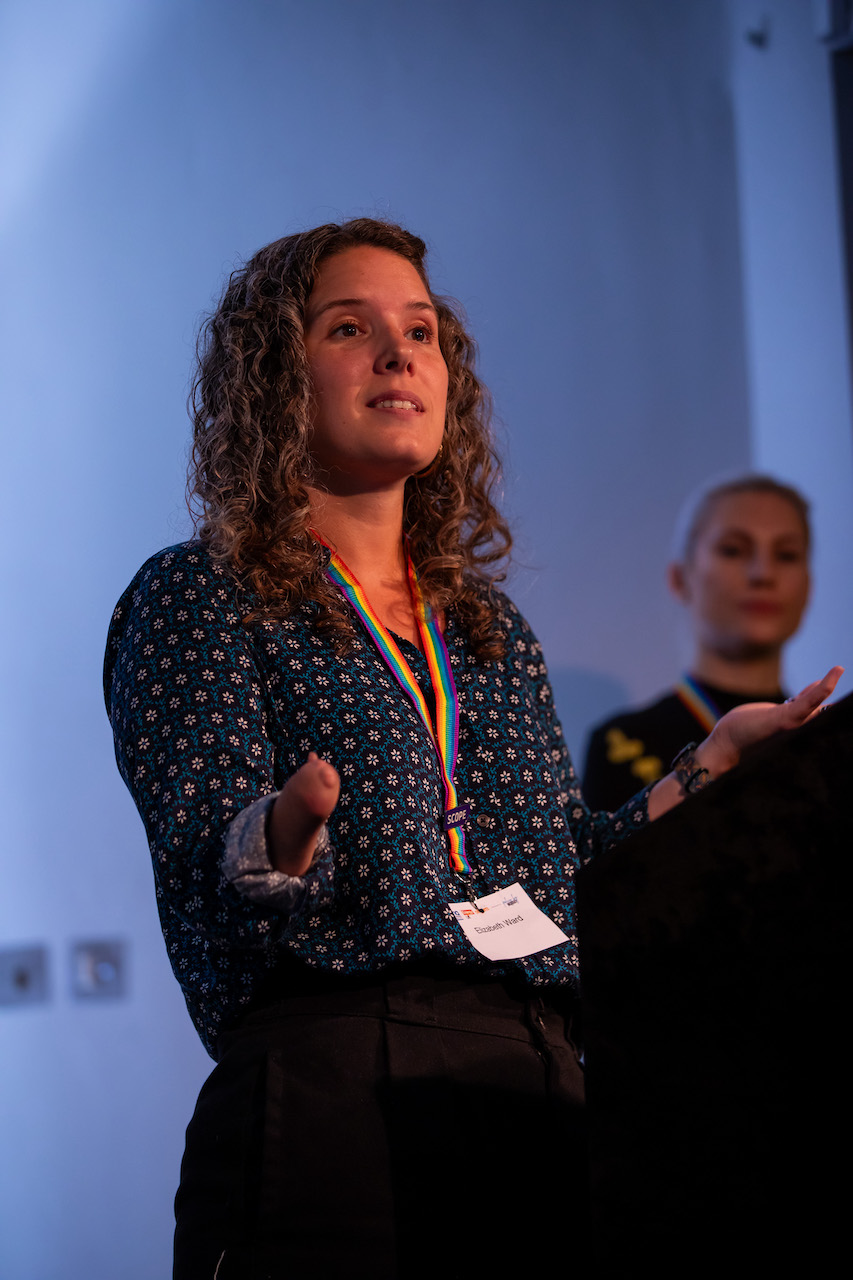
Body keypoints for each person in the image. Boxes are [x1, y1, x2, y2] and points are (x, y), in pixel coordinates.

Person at [104, 221, 839, 1279]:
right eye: (350, 328)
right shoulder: (202, 592)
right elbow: (207, 858)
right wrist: (284, 830)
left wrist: (710, 768)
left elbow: (563, 874)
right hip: (337, 1087)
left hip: (537, 1087)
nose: (399, 354)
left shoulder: (487, 629)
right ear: (275, 375)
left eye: (420, 331)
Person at [581, 475, 813, 812]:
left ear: (808, 586)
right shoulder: (621, 745)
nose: (763, 573)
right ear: (680, 579)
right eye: (733, 549)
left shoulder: (828, 739)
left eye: (787, 555)